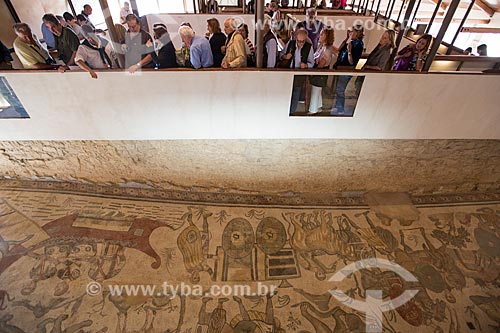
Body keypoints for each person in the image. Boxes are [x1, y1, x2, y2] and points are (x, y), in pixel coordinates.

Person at [331, 24, 364, 115]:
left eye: (352, 31)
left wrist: (349, 51)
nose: (350, 33)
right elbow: (339, 49)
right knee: (338, 89)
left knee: (340, 89)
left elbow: (352, 62)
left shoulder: (359, 45)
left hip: (346, 70)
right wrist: (346, 38)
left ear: (357, 33)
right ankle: (338, 106)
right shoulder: (351, 42)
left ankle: (340, 109)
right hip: (340, 67)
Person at [282, 29, 314, 114]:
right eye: (299, 41)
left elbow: (312, 63)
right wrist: (285, 57)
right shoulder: (290, 43)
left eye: (303, 41)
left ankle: (291, 112)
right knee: (285, 92)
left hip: (299, 74)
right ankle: (284, 110)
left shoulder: (309, 47)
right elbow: (281, 54)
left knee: (296, 93)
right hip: (288, 72)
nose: (300, 44)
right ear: (296, 38)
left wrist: (306, 65)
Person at [308, 26, 335, 115]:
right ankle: (319, 107)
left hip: (320, 72)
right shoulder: (322, 46)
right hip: (318, 70)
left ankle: (312, 110)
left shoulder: (327, 49)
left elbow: (321, 64)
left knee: (315, 91)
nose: (320, 35)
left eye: (322, 34)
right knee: (317, 91)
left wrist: (313, 70)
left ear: (327, 36)